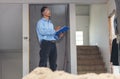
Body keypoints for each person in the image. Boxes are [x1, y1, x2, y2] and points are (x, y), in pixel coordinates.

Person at [36, 6, 63, 71]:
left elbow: (52, 35)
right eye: (47, 10)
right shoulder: (40, 22)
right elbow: (42, 32)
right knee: (43, 63)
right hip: (45, 43)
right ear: (43, 13)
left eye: (49, 10)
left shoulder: (51, 24)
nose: (49, 11)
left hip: (53, 43)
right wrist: (54, 30)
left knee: (53, 64)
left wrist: (58, 36)